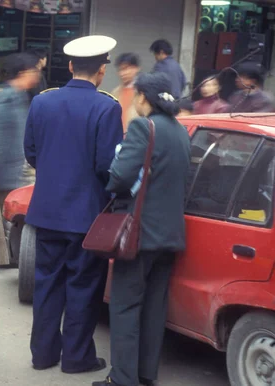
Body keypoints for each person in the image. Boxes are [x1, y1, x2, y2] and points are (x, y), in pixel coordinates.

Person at [24, 35, 123, 374]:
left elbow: (32, 153)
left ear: (69, 66)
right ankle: (77, 358)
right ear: (102, 70)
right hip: (86, 216)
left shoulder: (42, 102)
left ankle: (43, 354)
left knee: (47, 283)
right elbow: (106, 166)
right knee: (83, 288)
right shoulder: (107, 107)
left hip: (47, 212)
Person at [93, 72, 191, 386]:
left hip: (138, 235)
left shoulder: (142, 126)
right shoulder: (180, 131)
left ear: (144, 98)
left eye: (136, 95)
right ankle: (146, 375)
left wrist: (112, 177)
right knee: (153, 309)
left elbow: (120, 177)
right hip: (170, 236)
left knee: (125, 307)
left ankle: (122, 380)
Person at [0, 52, 40, 205]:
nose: (38, 75)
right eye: (35, 71)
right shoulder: (6, 99)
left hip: (16, 176)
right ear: (23, 72)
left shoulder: (20, 96)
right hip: (7, 178)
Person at [112, 53, 141, 132]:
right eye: (120, 70)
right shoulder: (115, 92)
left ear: (136, 68)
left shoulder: (143, 92)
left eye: (126, 69)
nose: (122, 73)